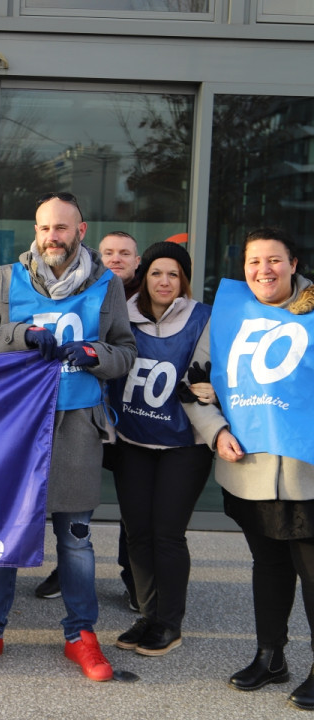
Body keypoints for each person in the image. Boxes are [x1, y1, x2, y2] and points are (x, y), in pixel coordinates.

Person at [0, 191, 135, 682]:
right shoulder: (5, 279)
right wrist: (20, 335)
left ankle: (80, 634)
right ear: (36, 231)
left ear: (81, 231)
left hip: (77, 422)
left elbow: (125, 351)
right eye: (44, 228)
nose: (52, 237)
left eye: (62, 228)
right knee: (4, 530)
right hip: (15, 423)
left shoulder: (106, 284)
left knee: (75, 538)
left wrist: (97, 355)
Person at [183, 227, 314, 710]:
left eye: (275, 260)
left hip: (308, 472)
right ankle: (270, 656)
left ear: (294, 264)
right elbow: (193, 383)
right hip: (250, 469)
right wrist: (217, 430)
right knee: (269, 567)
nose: (264, 270)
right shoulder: (229, 317)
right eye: (254, 261)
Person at [108, 242, 213, 656]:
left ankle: (169, 623)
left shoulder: (204, 317)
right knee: (137, 533)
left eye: (173, 274)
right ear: (144, 277)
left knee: (167, 535)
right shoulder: (122, 317)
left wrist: (213, 389)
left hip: (183, 443)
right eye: (156, 273)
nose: (164, 281)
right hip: (134, 440)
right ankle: (149, 615)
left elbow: (225, 369)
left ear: (182, 279)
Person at [37, 229, 142, 605]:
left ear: (137, 260)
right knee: (61, 510)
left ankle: (133, 581)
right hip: (73, 412)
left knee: (119, 513)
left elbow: (125, 350)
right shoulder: (72, 286)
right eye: (109, 251)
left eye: (124, 253)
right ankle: (62, 573)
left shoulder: (133, 295)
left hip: (118, 417)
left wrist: (96, 354)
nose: (115, 258)